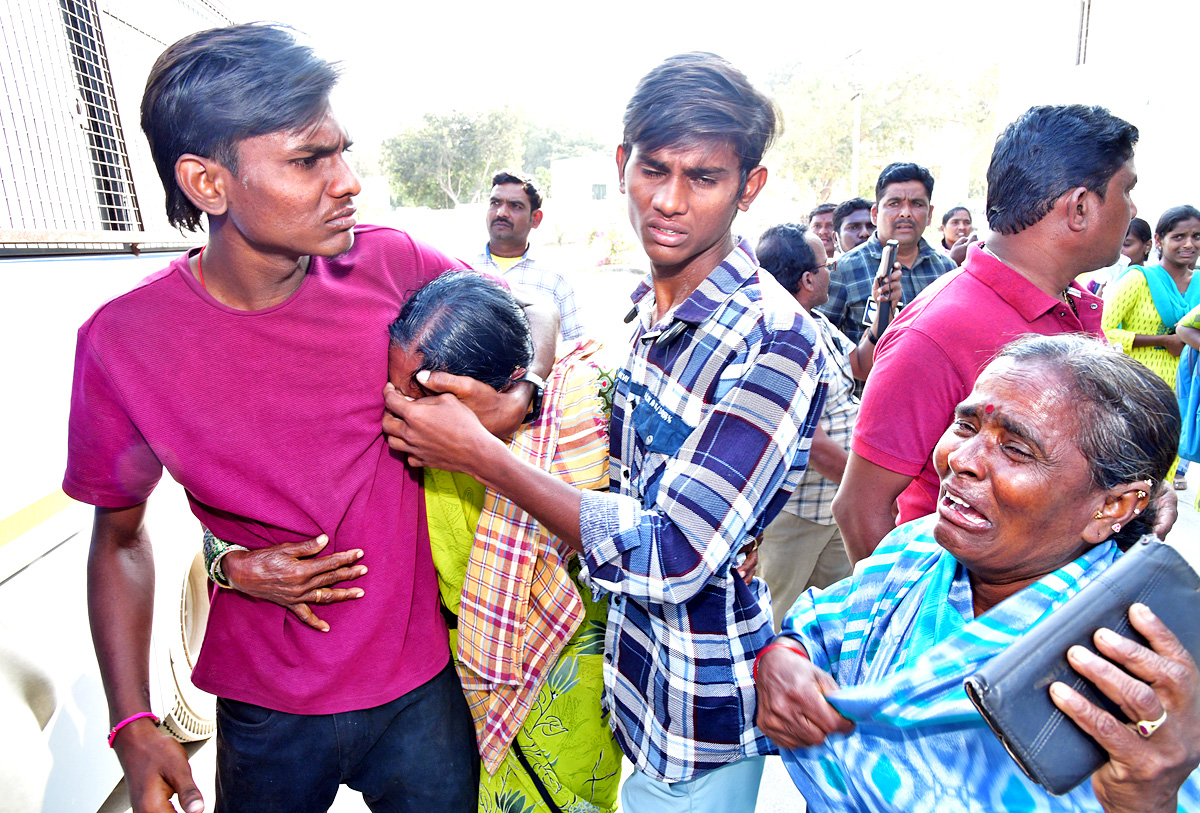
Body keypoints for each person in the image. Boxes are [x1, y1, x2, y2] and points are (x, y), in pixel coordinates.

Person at [64, 24, 556, 813]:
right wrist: (131, 720)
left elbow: (533, 309)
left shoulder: (389, 262)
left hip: (421, 690)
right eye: (309, 159)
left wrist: (520, 387)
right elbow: (119, 539)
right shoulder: (122, 344)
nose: (349, 181)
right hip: (266, 707)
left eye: (343, 151)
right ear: (207, 182)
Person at [384, 52, 828, 813]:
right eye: (654, 169)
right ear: (622, 164)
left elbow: (673, 553)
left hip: (698, 722)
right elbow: (617, 465)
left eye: (705, 178)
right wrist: (524, 401)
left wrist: (484, 456)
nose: (671, 201)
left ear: (750, 186)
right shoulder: (648, 312)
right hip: (633, 690)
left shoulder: (775, 339)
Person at [757, 335, 1200, 812]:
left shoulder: (1143, 665)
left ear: (1112, 505)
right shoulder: (918, 545)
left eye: (1016, 449)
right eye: (965, 426)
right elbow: (827, 620)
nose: (959, 460)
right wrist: (785, 653)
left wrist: (1146, 800)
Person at [832, 104, 1179, 564]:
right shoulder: (937, 331)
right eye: (1126, 191)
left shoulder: (1073, 304)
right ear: (1079, 207)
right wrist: (923, 626)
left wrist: (1141, 496)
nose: (1133, 210)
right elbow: (860, 508)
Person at [754, 223, 899, 629]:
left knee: (834, 615)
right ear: (807, 279)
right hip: (796, 511)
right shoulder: (780, 336)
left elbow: (859, 365)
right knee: (773, 616)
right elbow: (811, 443)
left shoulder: (816, 321)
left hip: (832, 505)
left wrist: (879, 309)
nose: (832, 270)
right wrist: (865, 488)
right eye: (826, 264)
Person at [1103, 205, 1200, 491]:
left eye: (1196, 236)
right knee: (1132, 474)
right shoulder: (1138, 279)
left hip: (1184, 393)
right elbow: (1104, 330)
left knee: (1164, 482)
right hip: (1138, 392)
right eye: (1179, 236)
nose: (1189, 244)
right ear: (1158, 241)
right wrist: (1161, 340)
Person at [819, 162, 956, 345]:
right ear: (875, 214)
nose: (905, 213)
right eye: (894, 204)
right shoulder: (841, 270)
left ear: (930, 214)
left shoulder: (947, 270)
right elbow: (822, 343)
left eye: (916, 204)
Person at [476, 170, 585, 342]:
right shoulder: (463, 270)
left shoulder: (554, 280)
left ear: (536, 218)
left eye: (515, 206)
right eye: (495, 203)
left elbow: (578, 347)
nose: (501, 213)